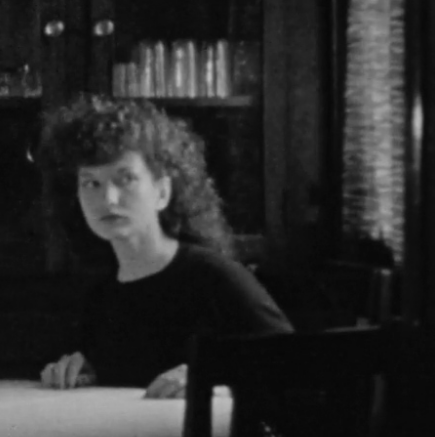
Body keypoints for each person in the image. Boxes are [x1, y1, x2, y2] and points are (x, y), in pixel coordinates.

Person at [37, 95, 291, 398]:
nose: (108, 199)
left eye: (126, 178)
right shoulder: (99, 295)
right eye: (91, 183)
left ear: (162, 192)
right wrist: (77, 371)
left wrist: (217, 379)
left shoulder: (214, 276)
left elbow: (295, 364)